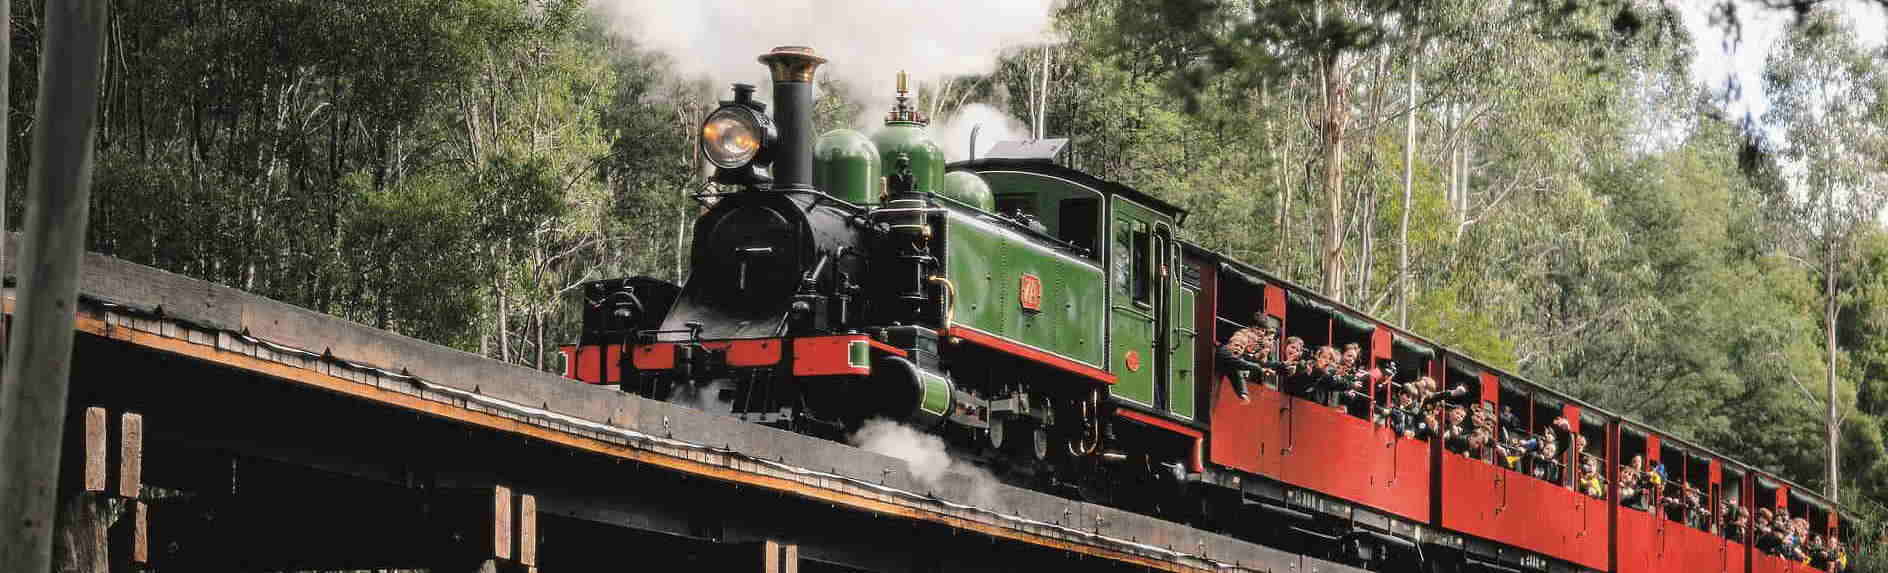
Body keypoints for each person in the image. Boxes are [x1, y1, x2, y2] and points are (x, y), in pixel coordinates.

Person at [1217, 314, 1273, 402]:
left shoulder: (1258, 347)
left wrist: (1243, 392)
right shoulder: (1232, 345)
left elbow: (1239, 368)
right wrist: (1259, 367)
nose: (1260, 333)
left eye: (1263, 330)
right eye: (1257, 329)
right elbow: (1237, 363)